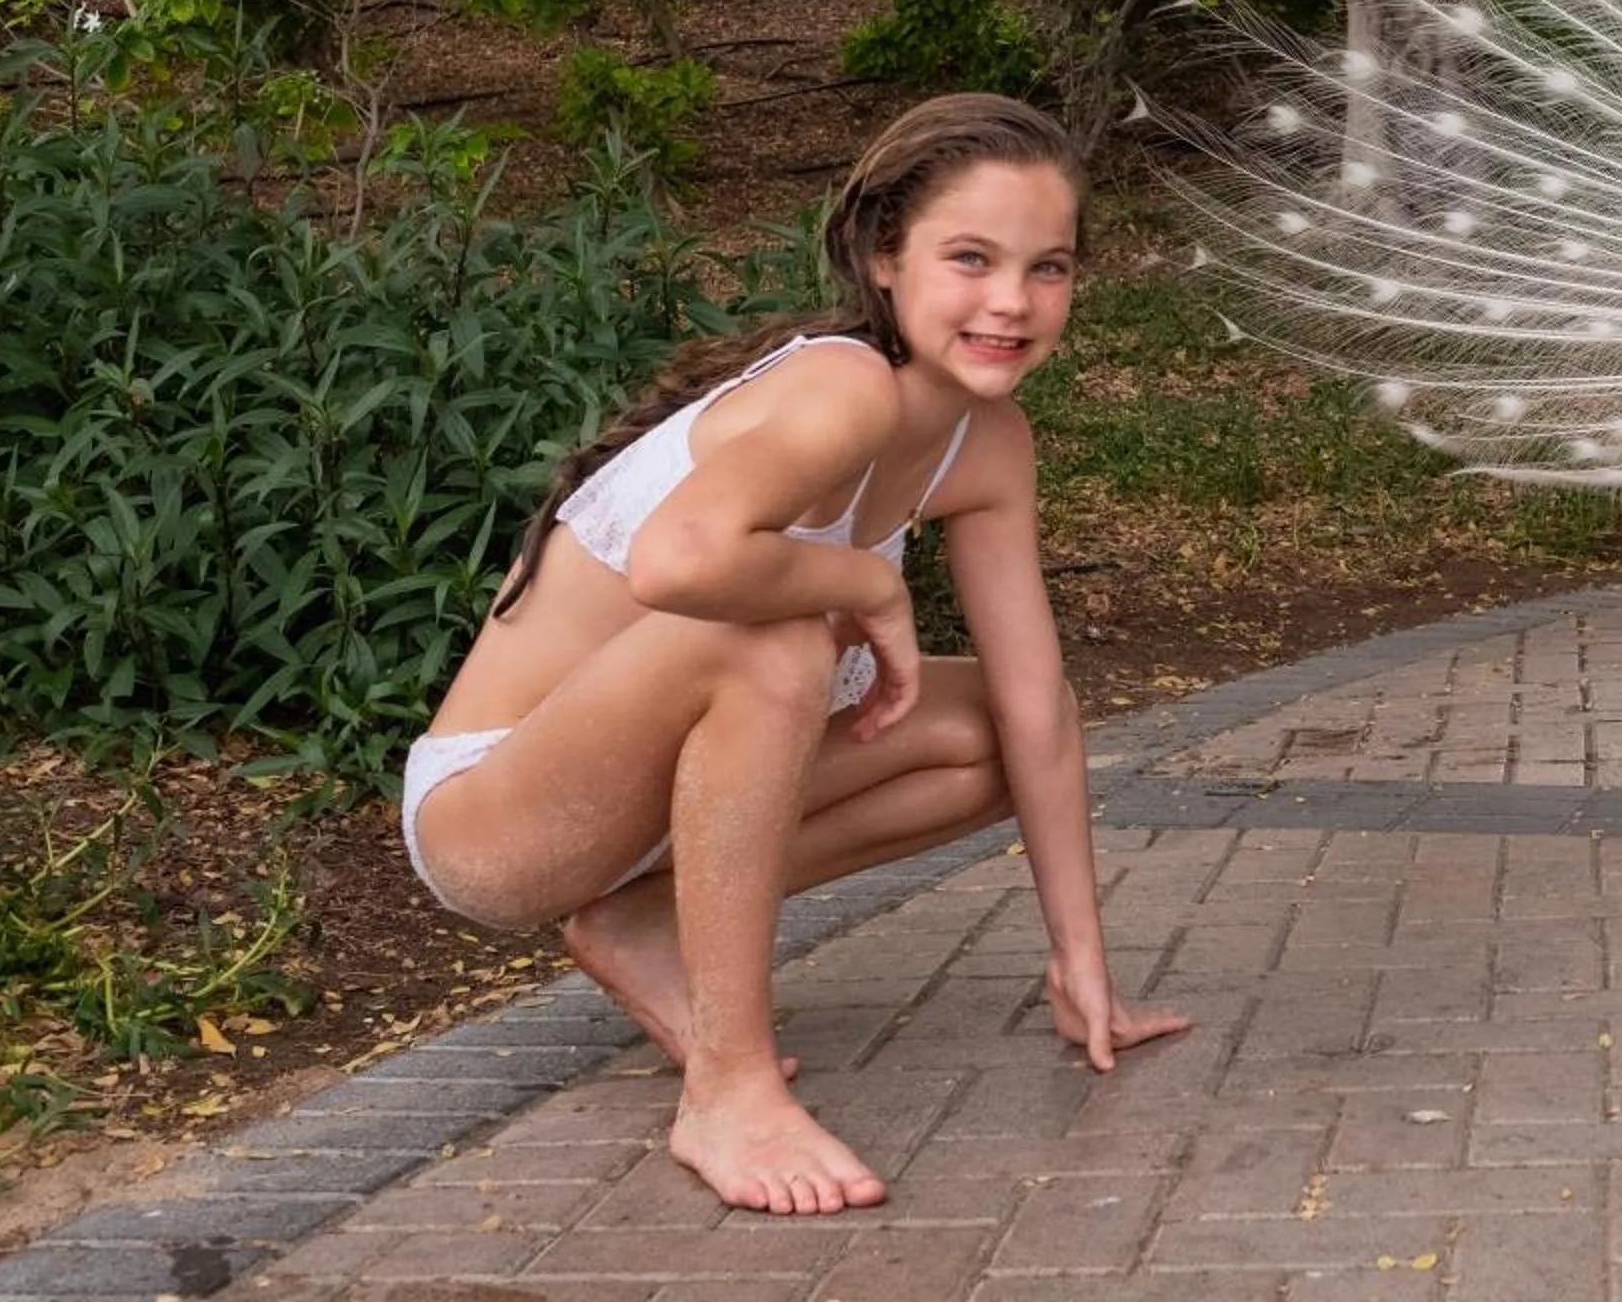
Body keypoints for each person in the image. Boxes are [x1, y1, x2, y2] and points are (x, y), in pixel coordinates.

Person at [398, 94, 1188, 1215]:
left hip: (634, 820)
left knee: (994, 729)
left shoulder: (989, 441)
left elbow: (1037, 710)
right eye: (970, 257)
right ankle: (726, 1089)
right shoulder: (840, 386)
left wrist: (1081, 961)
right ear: (882, 256)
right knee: (775, 637)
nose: (1012, 300)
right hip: (496, 812)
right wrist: (864, 578)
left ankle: (643, 921)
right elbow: (682, 562)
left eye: (1047, 267)